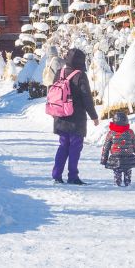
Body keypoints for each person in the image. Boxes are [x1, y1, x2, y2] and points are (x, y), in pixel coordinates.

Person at [50, 47, 99, 185]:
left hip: (60, 116)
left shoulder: (60, 72)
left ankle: (56, 175)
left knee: (63, 145)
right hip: (76, 118)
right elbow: (86, 98)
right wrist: (94, 116)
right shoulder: (80, 75)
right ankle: (73, 176)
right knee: (75, 148)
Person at [101, 110, 135, 186]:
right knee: (127, 170)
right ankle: (127, 182)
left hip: (116, 157)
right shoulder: (130, 132)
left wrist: (104, 159)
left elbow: (106, 146)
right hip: (128, 156)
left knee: (117, 170)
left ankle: (117, 182)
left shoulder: (111, 133)